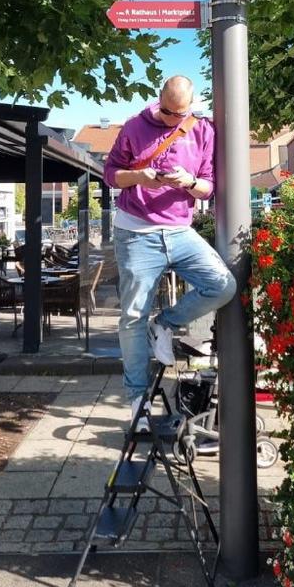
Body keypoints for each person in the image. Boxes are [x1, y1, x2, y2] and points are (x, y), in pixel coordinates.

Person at [104, 75, 236, 427]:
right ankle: (138, 403)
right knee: (132, 317)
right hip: (135, 232)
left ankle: (164, 324)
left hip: (179, 230)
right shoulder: (134, 126)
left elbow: (207, 187)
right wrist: (139, 177)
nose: (171, 119)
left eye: (179, 114)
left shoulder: (202, 130)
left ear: (190, 107)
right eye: (166, 111)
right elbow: (111, 174)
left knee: (222, 285)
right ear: (159, 100)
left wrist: (188, 181)